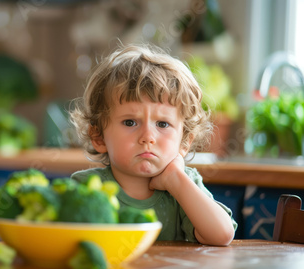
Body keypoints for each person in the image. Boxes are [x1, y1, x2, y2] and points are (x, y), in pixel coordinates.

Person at [70, 44, 237, 246]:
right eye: (130, 122)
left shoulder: (185, 185)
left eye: (163, 124)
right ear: (99, 137)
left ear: (184, 142)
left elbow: (222, 235)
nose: (148, 137)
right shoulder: (87, 188)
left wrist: (176, 180)